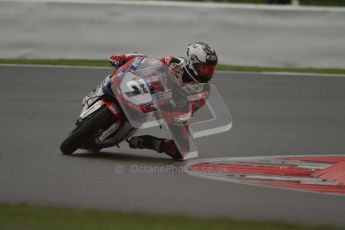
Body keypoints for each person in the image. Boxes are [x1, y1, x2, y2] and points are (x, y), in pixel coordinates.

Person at [82, 42, 218, 159]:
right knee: (130, 70)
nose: (209, 72)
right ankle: (99, 93)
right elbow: (145, 62)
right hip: (148, 90)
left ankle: (148, 142)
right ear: (192, 62)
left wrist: (174, 111)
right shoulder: (173, 62)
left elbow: (189, 110)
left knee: (182, 151)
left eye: (211, 68)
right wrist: (122, 58)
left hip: (170, 108)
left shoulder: (203, 90)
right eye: (205, 68)